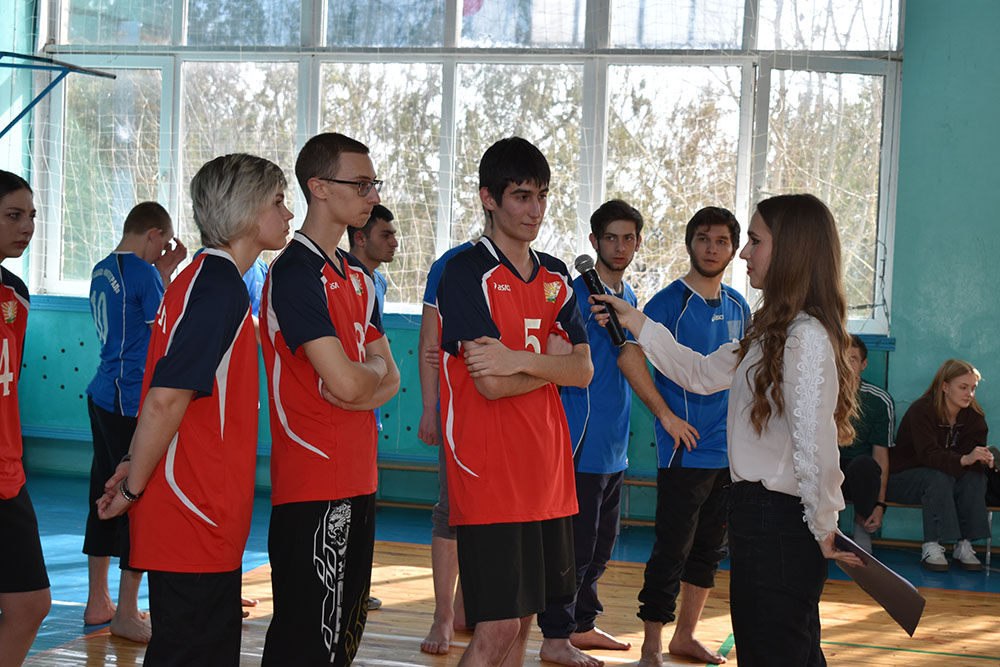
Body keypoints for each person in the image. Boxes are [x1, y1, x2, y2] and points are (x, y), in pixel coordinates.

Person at [591, 193, 863, 667]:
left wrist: (824, 525)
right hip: (756, 514)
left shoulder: (805, 337)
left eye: (754, 241)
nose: (743, 253)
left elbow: (814, 445)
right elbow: (697, 372)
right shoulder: (770, 331)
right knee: (772, 648)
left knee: (778, 650)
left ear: (790, 250)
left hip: (781, 521)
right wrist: (635, 320)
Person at [97, 153, 293, 666]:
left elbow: (163, 392)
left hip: (199, 510)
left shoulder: (202, 280)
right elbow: (165, 399)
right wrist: (133, 487)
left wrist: (130, 464)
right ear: (245, 210)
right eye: (278, 201)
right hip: (194, 512)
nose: (288, 214)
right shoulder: (217, 287)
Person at [436, 136, 593, 666]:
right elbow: (491, 385)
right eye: (522, 196)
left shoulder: (555, 276)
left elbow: (584, 371)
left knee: (524, 619)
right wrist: (550, 365)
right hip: (490, 472)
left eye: (542, 196)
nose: (536, 210)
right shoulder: (464, 272)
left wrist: (519, 359)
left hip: (546, 470)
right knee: (498, 624)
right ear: (489, 198)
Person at [260, 132, 400, 666]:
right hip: (314, 481)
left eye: (373, 184)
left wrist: (362, 378)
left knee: (343, 639)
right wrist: (363, 377)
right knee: (308, 642)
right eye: (361, 184)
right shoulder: (295, 272)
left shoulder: (358, 276)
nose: (372, 195)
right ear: (318, 187)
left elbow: (390, 378)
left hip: (361, 474)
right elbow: (348, 383)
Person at [617, 207, 750, 666]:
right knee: (672, 549)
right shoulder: (666, 303)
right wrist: (666, 416)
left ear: (733, 250)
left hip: (729, 454)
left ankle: (685, 637)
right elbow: (630, 357)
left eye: (721, 241)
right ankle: (651, 644)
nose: (711, 248)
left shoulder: (740, 306)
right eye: (703, 239)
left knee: (709, 551)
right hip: (684, 451)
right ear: (689, 243)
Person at [536, 199, 643, 666]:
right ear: (594, 242)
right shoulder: (573, 295)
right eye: (611, 238)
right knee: (574, 550)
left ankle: (581, 625)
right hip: (580, 441)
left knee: (601, 548)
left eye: (628, 238)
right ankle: (555, 637)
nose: (619, 247)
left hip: (616, 445)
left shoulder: (628, 297)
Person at [83, 201, 186, 641]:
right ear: (153, 234)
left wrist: (162, 270)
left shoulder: (102, 268)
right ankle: (126, 611)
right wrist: (167, 274)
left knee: (102, 490)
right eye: (162, 244)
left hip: (102, 394)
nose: (163, 251)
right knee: (133, 496)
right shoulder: (144, 274)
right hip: (129, 401)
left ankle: (98, 601)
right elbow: (166, 328)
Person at [418, 234, 478, 655]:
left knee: (492, 515)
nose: (531, 209)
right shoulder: (451, 265)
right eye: (520, 201)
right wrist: (429, 407)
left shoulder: (537, 268)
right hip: (460, 413)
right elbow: (428, 345)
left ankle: (464, 607)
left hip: (509, 411)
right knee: (452, 511)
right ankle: (442, 616)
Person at [0, 170, 49, 667]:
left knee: (31, 603)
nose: (27, 226)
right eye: (13, 215)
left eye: (31, 215)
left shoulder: (15, 293)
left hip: (8, 475)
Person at [888, 359, 992, 571]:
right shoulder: (921, 411)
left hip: (948, 481)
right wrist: (964, 459)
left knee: (975, 477)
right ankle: (932, 545)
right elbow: (928, 455)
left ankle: (964, 544)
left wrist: (982, 459)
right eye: (963, 387)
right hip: (905, 479)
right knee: (937, 476)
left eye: (973, 388)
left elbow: (969, 461)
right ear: (945, 386)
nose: (969, 394)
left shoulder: (974, 417)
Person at [347, 203, 398, 613]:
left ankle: (355, 588)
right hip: (347, 404)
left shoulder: (374, 281)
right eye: (386, 234)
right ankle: (346, 589)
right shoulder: (345, 279)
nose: (394, 242)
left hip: (368, 406)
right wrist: (378, 369)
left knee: (363, 507)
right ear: (360, 238)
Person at [840, 335, 895, 554]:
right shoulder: (819, 394)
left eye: (852, 359)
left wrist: (880, 505)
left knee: (864, 464)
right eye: (841, 358)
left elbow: (881, 457)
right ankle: (825, 528)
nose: (846, 364)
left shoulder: (879, 400)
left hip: (859, 475)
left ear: (863, 364)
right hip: (828, 470)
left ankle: (861, 525)